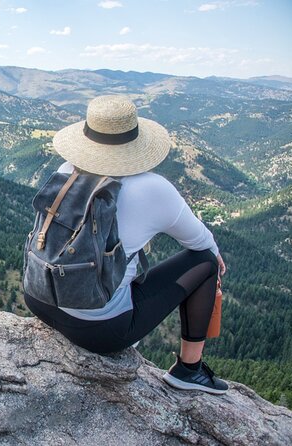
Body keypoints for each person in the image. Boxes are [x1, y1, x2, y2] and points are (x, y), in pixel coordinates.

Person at [24, 95, 228, 394]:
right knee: (206, 263)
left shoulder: (67, 171)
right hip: (99, 332)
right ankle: (189, 370)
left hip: (39, 297)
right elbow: (201, 244)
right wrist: (216, 261)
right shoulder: (153, 188)